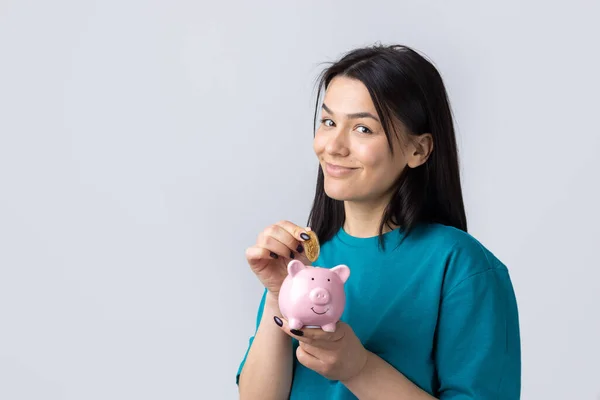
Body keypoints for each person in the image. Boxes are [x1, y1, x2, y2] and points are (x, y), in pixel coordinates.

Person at [236, 43, 521, 400]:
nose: (334, 146)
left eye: (363, 129)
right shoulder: (304, 259)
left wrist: (360, 368)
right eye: (328, 122)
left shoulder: (462, 266)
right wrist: (278, 298)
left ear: (418, 150)